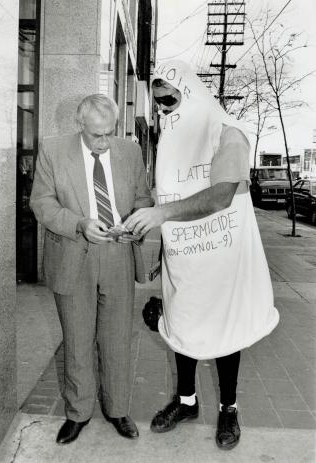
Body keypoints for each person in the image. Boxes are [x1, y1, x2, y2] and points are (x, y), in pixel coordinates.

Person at [124, 60, 279, 450]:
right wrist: (165, 251)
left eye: (170, 101)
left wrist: (159, 215)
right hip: (185, 258)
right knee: (183, 328)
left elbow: (221, 194)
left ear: (190, 92)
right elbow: (174, 195)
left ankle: (229, 408)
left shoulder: (228, 131)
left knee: (224, 334)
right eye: (159, 104)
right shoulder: (172, 140)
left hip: (223, 258)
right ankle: (187, 402)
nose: (164, 110)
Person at [30, 94, 153, 444]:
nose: (104, 141)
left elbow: (143, 199)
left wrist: (133, 224)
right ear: (80, 124)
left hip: (117, 252)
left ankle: (117, 410)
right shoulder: (53, 150)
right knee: (78, 340)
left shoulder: (129, 151)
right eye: (97, 134)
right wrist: (80, 223)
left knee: (116, 340)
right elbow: (41, 202)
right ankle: (78, 413)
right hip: (72, 253)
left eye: (109, 133)